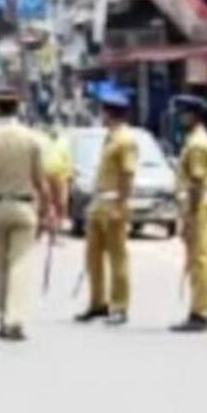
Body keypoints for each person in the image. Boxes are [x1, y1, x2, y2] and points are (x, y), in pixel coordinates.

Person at [0, 90, 51, 342]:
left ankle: (4, 316)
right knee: (20, 262)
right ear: (18, 109)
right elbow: (41, 180)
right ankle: (16, 318)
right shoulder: (32, 139)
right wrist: (49, 210)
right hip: (25, 206)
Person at [76, 82, 136, 326]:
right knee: (93, 257)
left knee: (117, 257)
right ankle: (97, 302)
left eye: (103, 111)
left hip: (113, 204)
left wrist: (121, 205)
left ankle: (119, 305)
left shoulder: (125, 140)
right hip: (100, 203)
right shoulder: (110, 137)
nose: (101, 115)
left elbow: (127, 175)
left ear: (110, 112)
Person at [172, 95, 207, 334]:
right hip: (195, 203)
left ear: (195, 116)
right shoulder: (194, 139)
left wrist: (190, 215)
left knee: (200, 260)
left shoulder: (198, 143)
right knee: (198, 259)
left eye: (185, 113)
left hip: (197, 204)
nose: (181, 117)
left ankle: (201, 312)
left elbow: (197, 182)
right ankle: (198, 308)